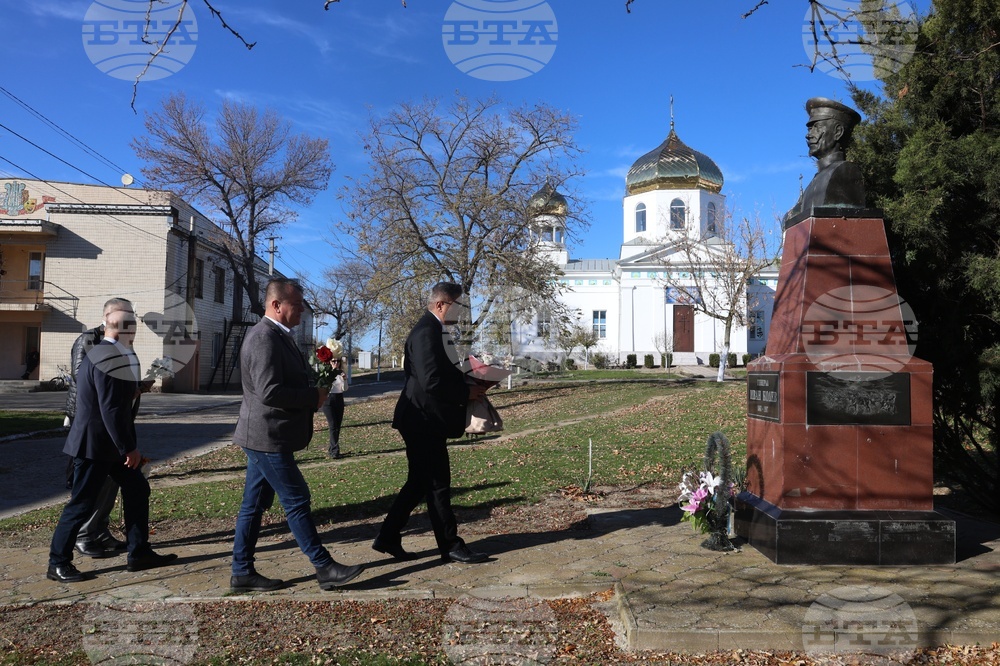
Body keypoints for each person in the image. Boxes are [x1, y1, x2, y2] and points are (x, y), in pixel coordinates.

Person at [230, 278, 364, 593]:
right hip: (266, 436)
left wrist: (321, 376)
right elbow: (269, 392)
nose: (302, 310)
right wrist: (312, 396)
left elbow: (289, 378)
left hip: (266, 435)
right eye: (297, 305)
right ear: (276, 305)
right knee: (296, 497)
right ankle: (324, 567)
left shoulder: (280, 335)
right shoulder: (264, 337)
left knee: (254, 505)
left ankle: (241, 572)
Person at [47, 298, 176, 583]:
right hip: (95, 446)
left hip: (108, 446)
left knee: (137, 489)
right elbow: (111, 410)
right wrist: (128, 448)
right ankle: (58, 563)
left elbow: (112, 399)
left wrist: (137, 388)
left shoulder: (112, 353)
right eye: (131, 323)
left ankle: (139, 552)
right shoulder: (108, 355)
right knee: (81, 504)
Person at [373, 282, 489, 564]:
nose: (462, 315)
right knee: (437, 483)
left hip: (424, 418)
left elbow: (438, 374)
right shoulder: (427, 332)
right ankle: (450, 544)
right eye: (458, 308)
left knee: (418, 483)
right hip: (421, 420)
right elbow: (430, 381)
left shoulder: (436, 331)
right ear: (441, 305)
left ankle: (388, 536)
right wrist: (466, 392)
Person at [63, 319, 128, 559]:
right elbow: (84, 378)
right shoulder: (88, 341)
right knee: (88, 488)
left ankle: (99, 530)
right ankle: (81, 536)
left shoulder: (117, 347)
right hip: (90, 423)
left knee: (112, 482)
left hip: (109, 427)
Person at [783, 97, 866, 228]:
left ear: (838, 132)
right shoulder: (813, 184)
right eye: (809, 129)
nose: (808, 135)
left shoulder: (844, 174)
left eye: (816, 127)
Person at [321, 357, 347, 459]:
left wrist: (344, 379)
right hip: (328, 400)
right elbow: (323, 387)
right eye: (333, 361)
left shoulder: (341, 373)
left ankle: (332, 448)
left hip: (339, 398)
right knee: (333, 425)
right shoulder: (326, 372)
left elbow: (345, 388)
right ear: (329, 362)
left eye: (338, 361)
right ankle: (334, 451)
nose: (336, 363)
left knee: (338, 426)